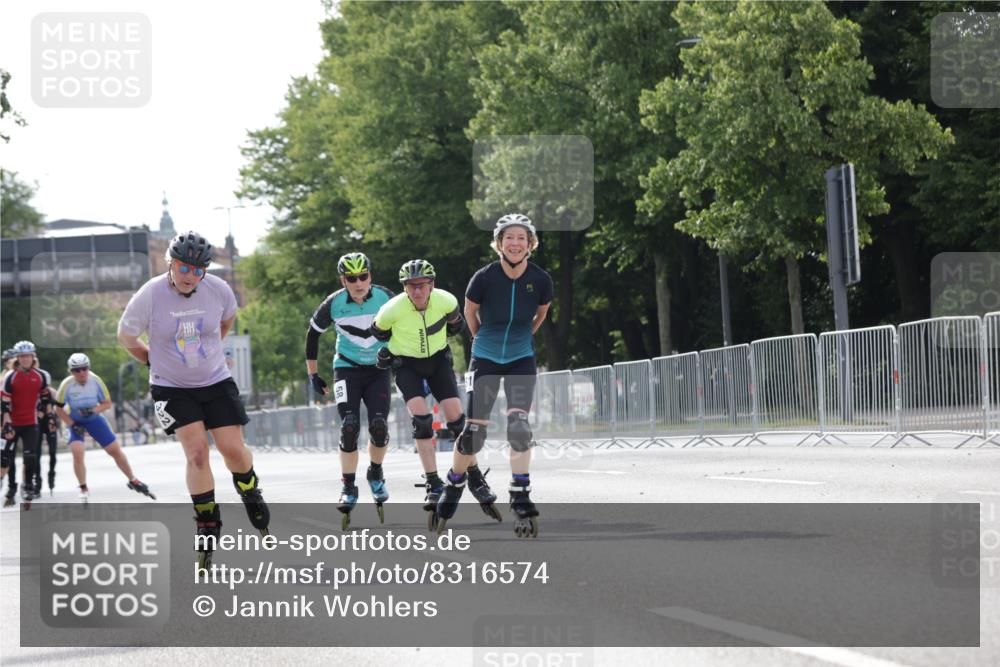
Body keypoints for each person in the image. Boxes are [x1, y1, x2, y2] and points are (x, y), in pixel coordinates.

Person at [118, 231, 269, 567]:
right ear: (171, 263)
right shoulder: (150, 294)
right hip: (171, 386)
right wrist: (149, 358)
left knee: (232, 449)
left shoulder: (218, 289)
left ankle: (250, 489)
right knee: (198, 452)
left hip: (215, 380)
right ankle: (206, 519)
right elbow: (125, 334)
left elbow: (227, 320)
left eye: (197, 271)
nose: (189, 276)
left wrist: (211, 351)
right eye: (184, 268)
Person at [434, 214, 552, 538]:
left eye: (521, 238)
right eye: (509, 238)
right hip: (485, 357)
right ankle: (454, 484)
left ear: (530, 244)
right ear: (499, 243)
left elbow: (540, 315)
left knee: (519, 427)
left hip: (520, 358)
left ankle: (521, 494)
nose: (515, 243)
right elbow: (470, 313)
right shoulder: (483, 277)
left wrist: (520, 339)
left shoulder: (541, 279)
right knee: (474, 434)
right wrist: (482, 342)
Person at [369, 259, 484, 530]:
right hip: (406, 365)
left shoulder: (445, 300)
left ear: (432, 285)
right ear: (405, 288)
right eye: (411, 286)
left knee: (458, 421)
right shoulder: (391, 309)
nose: (417, 291)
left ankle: (475, 475)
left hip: (438, 362)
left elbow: (457, 324)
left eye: (421, 285)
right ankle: (433, 481)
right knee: (421, 420)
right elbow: (378, 332)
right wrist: (389, 351)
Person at [305, 252, 394, 529]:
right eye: (352, 278)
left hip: (378, 370)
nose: (359, 283)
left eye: (363, 277)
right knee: (349, 426)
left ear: (371, 276)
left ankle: (376, 473)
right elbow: (313, 335)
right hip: (346, 368)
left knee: (379, 427)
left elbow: (405, 325)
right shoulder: (333, 303)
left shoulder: (386, 297)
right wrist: (313, 375)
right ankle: (349, 486)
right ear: (343, 280)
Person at [54, 353, 155, 502]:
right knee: (77, 451)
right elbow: (58, 409)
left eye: (84, 368)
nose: (81, 373)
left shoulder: (96, 381)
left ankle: (133, 480)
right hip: (74, 420)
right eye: (77, 370)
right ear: (71, 371)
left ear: (88, 368)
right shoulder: (66, 385)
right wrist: (72, 424)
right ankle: (83, 487)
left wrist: (93, 410)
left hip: (94, 418)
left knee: (115, 451)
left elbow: (107, 404)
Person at [1, 341, 48, 506]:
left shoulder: (40, 376)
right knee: (6, 458)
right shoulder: (10, 376)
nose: (25, 359)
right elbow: (5, 400)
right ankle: (7, 485)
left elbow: (45, 397)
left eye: (28, 356)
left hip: (30, 423)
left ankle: (28, 486)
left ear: (33, 357)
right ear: (17, 358)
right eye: (22, 357)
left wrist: (45, 415)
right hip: (12, 423)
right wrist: (6, 422)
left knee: (30, 456)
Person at [34, 359, 59, 495]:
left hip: (49, 419)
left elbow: (56, 401)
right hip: (37, 420)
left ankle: (51, 473)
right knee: (36, 453)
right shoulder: (31, 383)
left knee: (53, 452)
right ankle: (37, 481)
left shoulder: (49, 389)